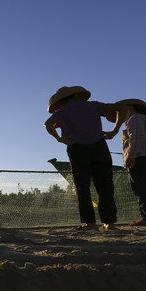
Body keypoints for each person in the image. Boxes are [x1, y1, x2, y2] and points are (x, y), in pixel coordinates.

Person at [44, 86, 125, 230]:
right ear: (75, 95)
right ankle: (109, 223)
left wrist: (59, 139)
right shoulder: (93, 105)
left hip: (77, 149)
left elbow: (48, 124)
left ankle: (90, 223)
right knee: (105, 185)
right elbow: (121, 107)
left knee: (82, 187)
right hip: (99, 147)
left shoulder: (61, 112)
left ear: (60, 100)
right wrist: (115, 130)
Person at [106, 99, 146, 226]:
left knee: (140, 187)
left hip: (139, 157)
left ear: (130, 107)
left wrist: (131, 156)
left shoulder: (135, 119)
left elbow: (137, 137)